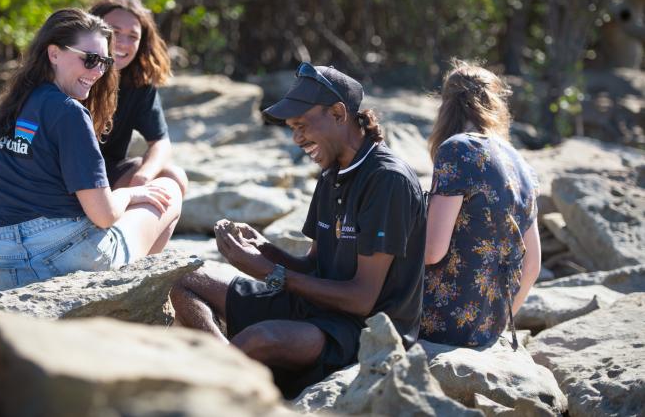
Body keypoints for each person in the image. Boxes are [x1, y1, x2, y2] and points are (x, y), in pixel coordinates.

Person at [170, 63, 426, 397]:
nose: (297, 138)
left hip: (361, 330)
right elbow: (313, 267)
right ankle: (229, 369)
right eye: (292, 127)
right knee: (184, 280)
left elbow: (362, 299)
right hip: (315, 307)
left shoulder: (387, 181)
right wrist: (264, 249)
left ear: (338, 113)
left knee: (259, 339)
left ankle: (214, 385)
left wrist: (272, 273)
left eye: (302, 125)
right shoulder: (333, 172)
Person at [0, 8, 182, 291]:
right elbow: (104, 216)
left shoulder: (13, 104)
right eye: (90, 59)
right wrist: (129, 193)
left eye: (104, 62)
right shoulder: (69, 112)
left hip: (4, 264)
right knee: (168, 191)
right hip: (62, 261)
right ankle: (139, 294)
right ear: (53, 53)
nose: (98, 72)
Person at [420, 59, 541, 349]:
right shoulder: (520, 162)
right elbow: (533, 265)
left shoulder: (457, 149)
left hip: (439, 322)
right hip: (487, 328)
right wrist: (498, 323)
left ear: (447, 106)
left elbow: (432, 252)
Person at [89, 0, 187, 194]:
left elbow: (161, 142)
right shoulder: (67, 72)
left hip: (105, 173)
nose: (123, 43)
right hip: (56, 177)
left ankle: (118, 226)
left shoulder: (138, 84)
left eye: (133, 36)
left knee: (172, 177)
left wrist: (142, 177)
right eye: (114, 32)